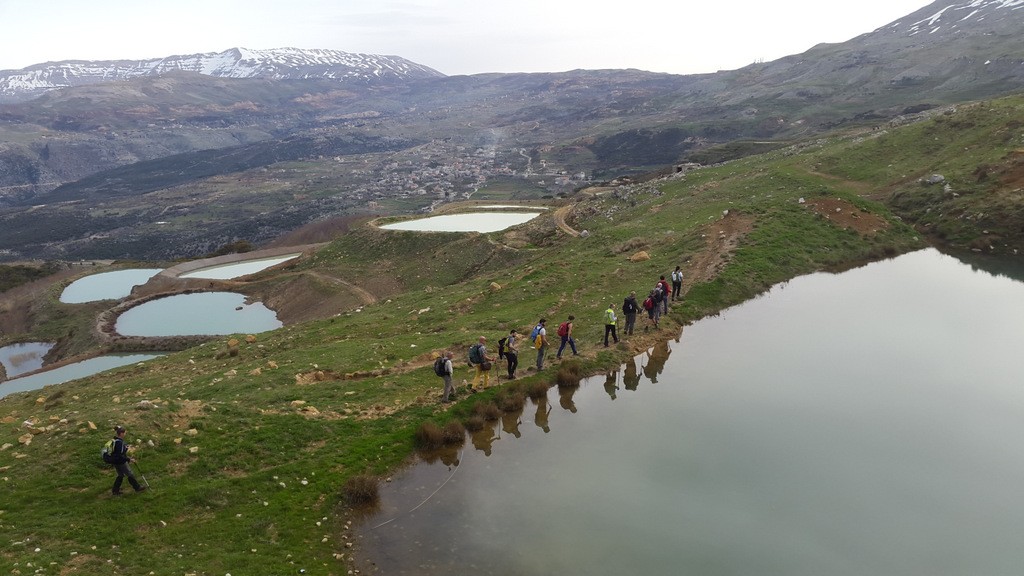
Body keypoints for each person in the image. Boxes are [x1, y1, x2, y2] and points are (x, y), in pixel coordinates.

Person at [108, 426, 146, 496]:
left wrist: (125, 449)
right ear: (121, 433)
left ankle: (115, 491)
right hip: (121, 462)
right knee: (130, 474)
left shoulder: (114, 440)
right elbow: (120, 455)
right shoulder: (119, 443)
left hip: (115, 461)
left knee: (120, 475)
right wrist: (129, 459)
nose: (125, 434)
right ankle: (137, 488)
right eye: (125, 433)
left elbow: (117, 453)